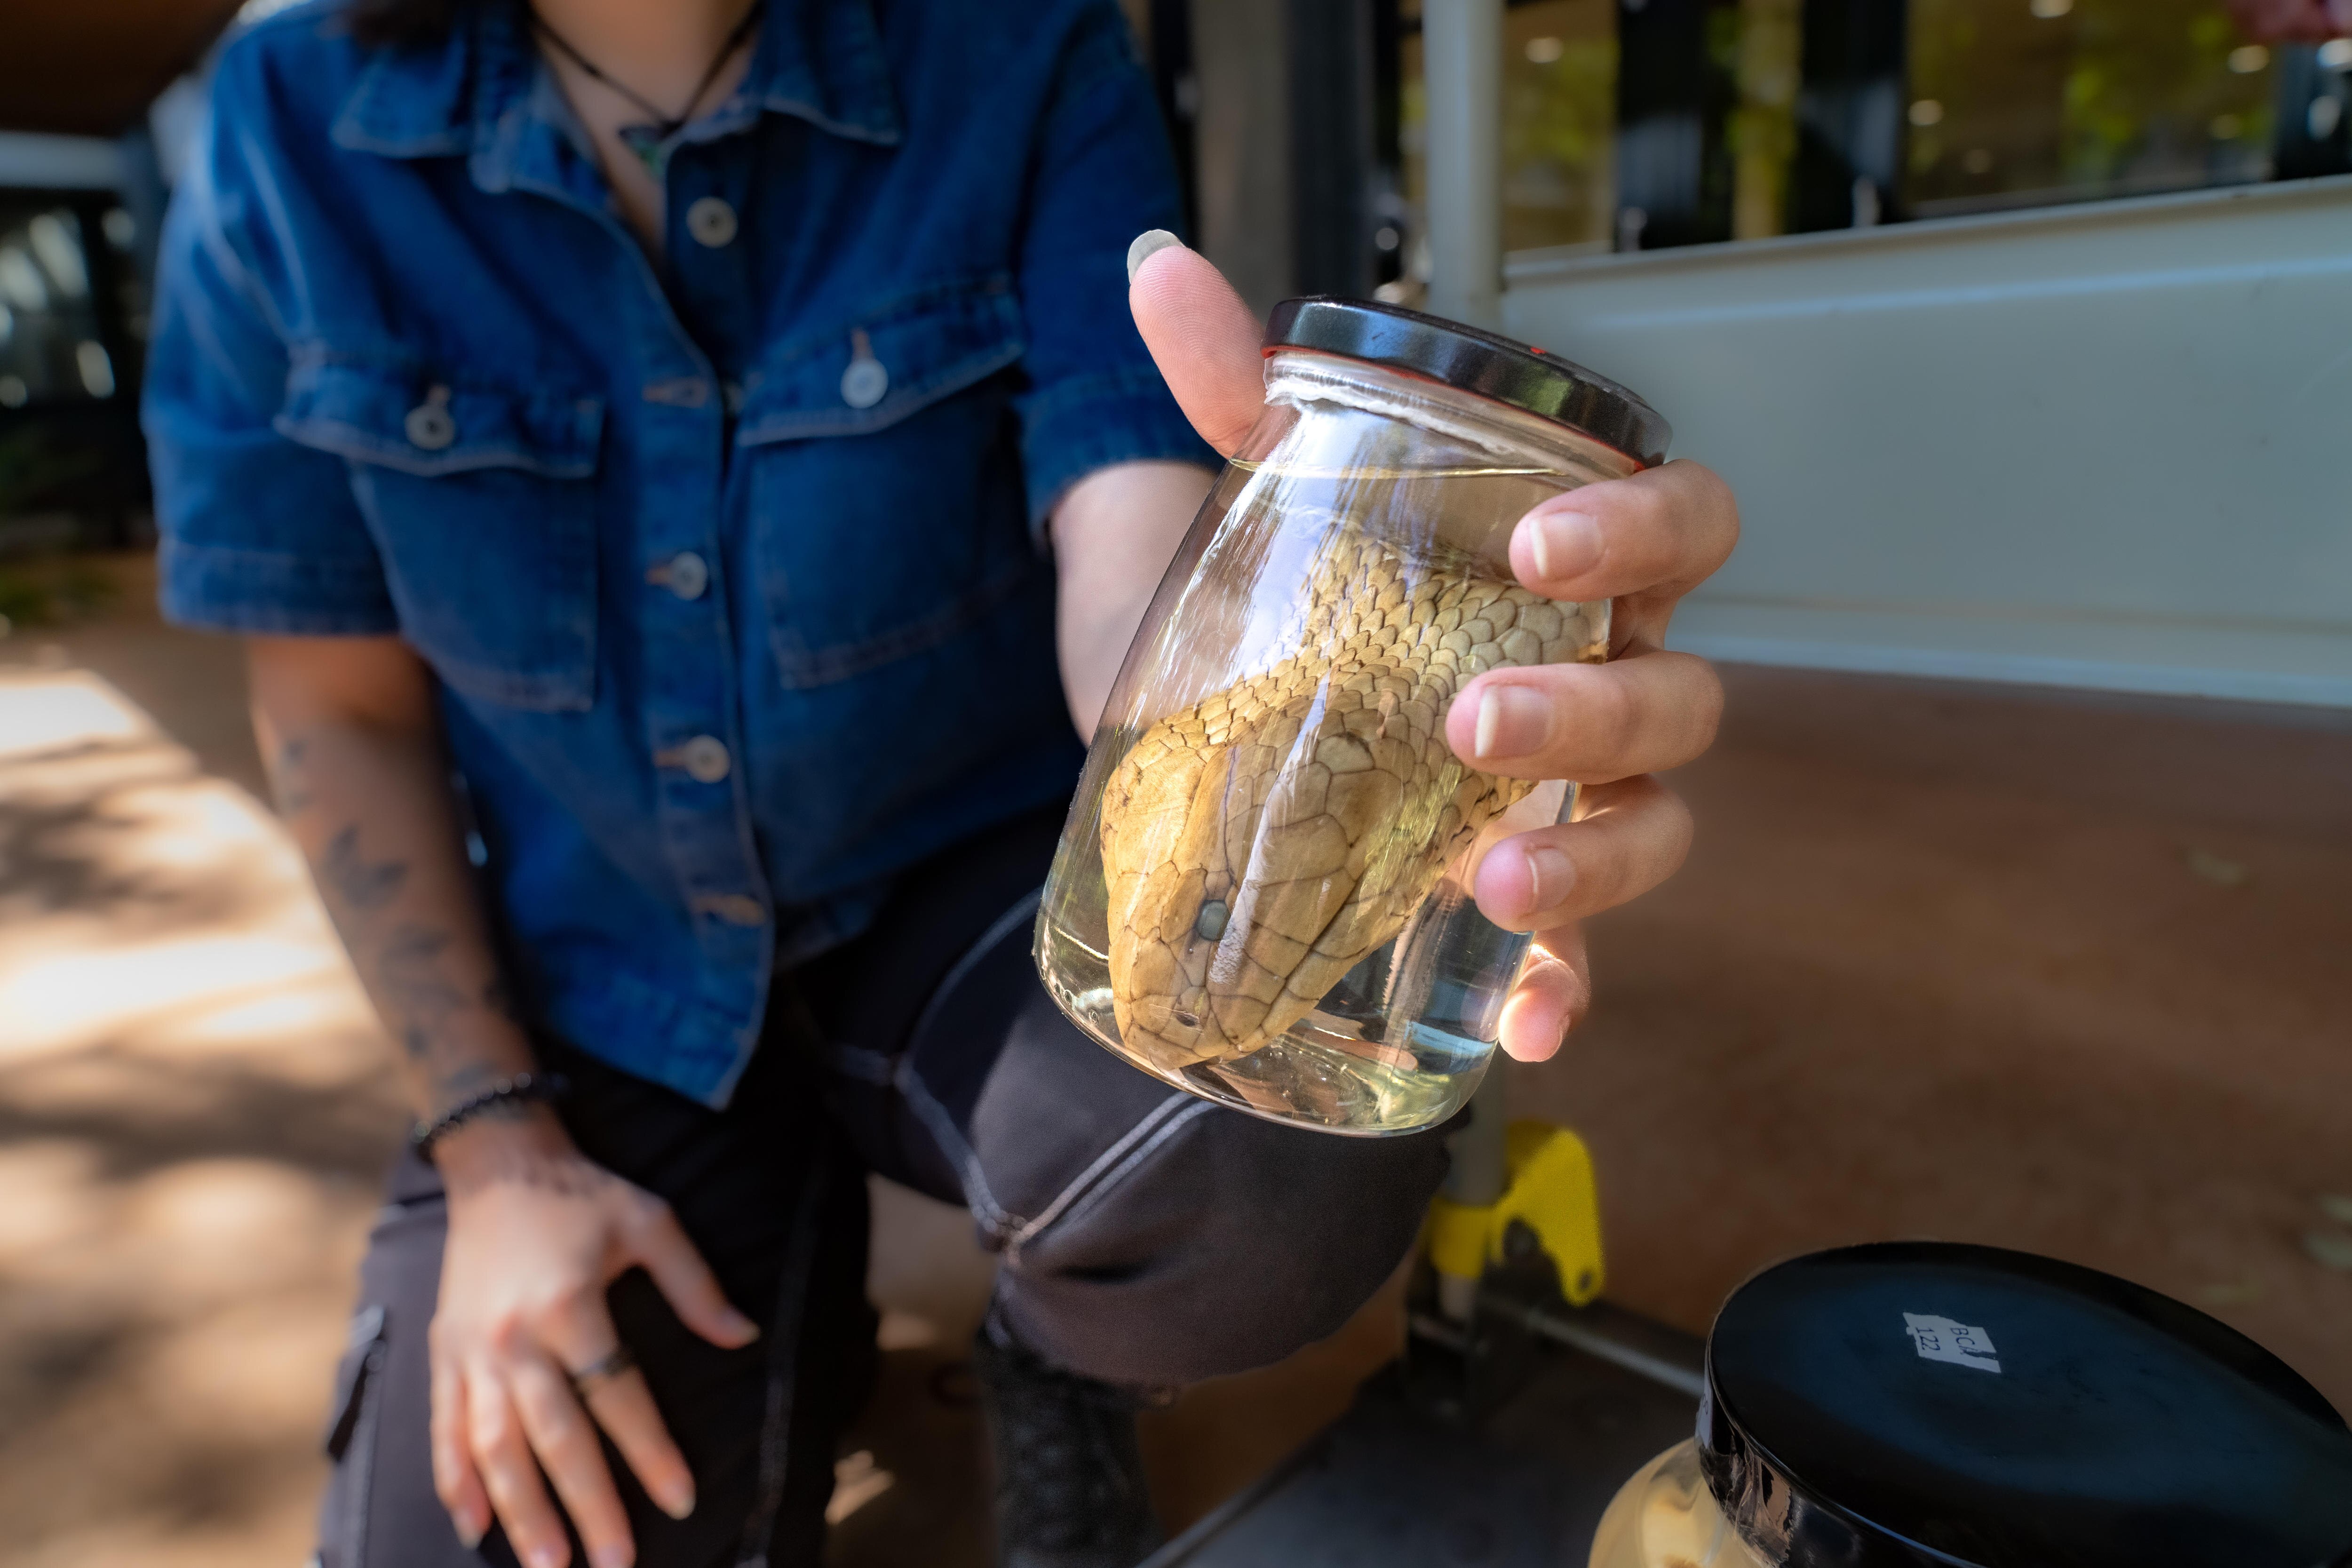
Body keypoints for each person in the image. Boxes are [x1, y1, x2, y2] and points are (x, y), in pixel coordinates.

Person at [140, 0, 1740, 1564]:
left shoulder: (1024, 49)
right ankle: (786, 1290)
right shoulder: (284, 118)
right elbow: (340, 711)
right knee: (506, 1520)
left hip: (964, 909)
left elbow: (1127, 564)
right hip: (603, 972)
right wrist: (497, 1150)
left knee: (1274, 1160)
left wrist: (1399, 670)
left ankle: (1062, 1348)